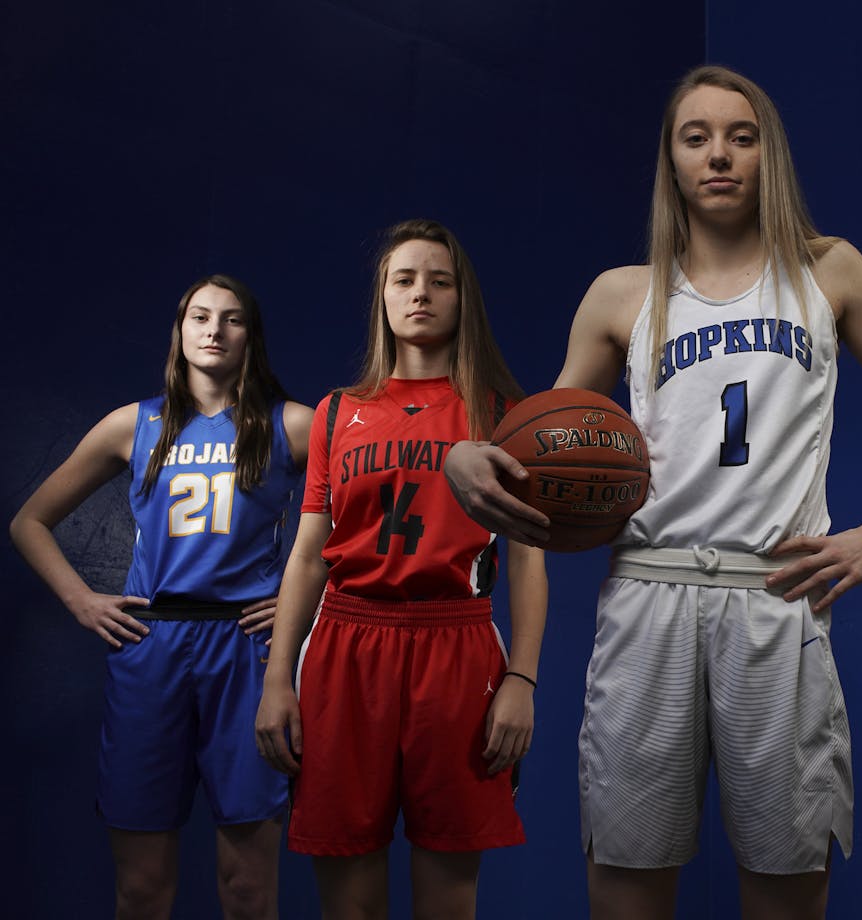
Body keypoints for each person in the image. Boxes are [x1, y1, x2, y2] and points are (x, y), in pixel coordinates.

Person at [441, 66, 862, 920]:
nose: (719, 155)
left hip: (775, 593)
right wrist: (471, 457)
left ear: (768, 156)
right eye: (697, 137)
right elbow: (541, 443)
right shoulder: (622, 292)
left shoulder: (829, 271)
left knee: (788, 891)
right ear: (672, 161)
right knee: (626, 889)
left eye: (741, 136)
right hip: (649, 592)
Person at [253, 219, 547, 918]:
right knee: (348, 899)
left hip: (458, 644)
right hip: (346, 646)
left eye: (439, 281)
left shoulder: (501, 414)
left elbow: (530, 562)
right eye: (404, 279)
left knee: (448, 899)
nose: (422, 294)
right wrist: (276, 678)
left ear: (461, 298)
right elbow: (307, 556)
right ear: (382, 298)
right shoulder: (335, 415)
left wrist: (522, 679)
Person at [11, 275, 309, 920]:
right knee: (142, 887)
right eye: (200, 316)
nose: (214, 330)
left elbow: (366, 513)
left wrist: (304, 598)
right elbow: (28, 521)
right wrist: (81, 600)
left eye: (231, 319)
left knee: (249, 887)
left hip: (247, 651)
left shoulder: (291, 423)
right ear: (180, 331)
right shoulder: (133, 423)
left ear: (249, 336)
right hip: (154, 648)